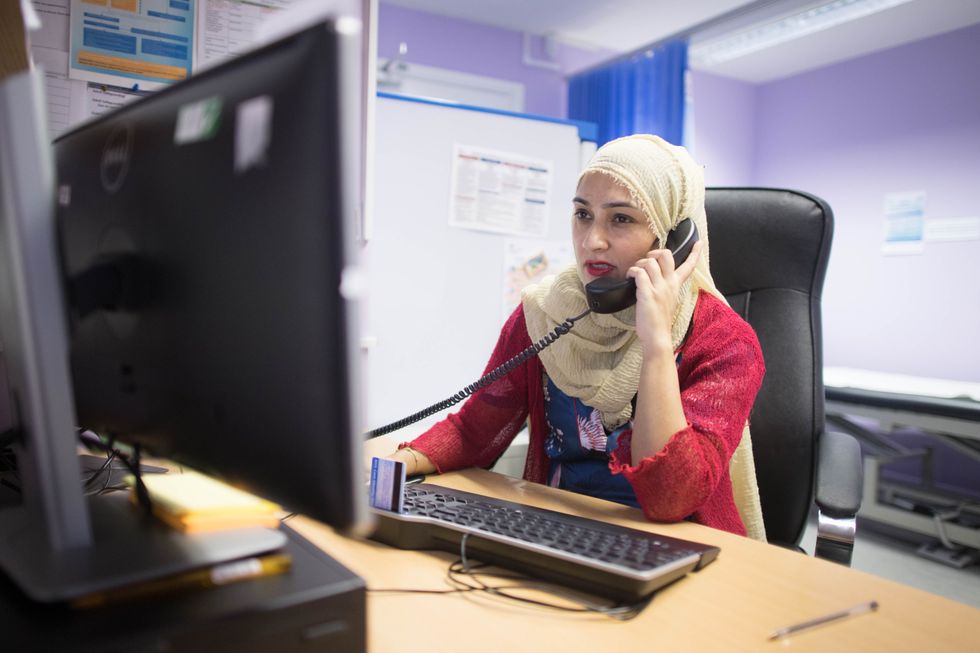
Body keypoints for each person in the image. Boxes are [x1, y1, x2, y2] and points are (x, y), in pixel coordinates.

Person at [388, 134, 767, 540]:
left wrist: (656, 341)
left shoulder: (725, 342)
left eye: (621, 219)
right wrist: (389, 467)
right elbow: (473, 430)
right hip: (555, 533)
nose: (592, 241)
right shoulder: (547, 313)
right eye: (583, 214)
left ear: (672, 238)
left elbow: (670, 497)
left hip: (680, 549)